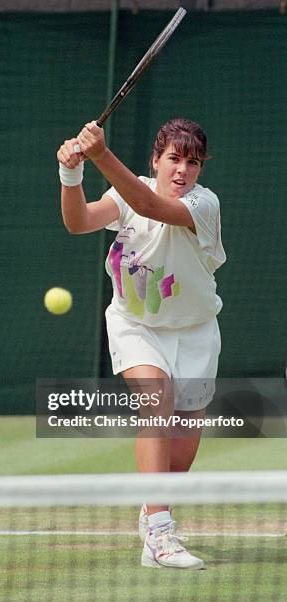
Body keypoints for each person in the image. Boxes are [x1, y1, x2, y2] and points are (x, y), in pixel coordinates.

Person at [57, 117, 226, 570]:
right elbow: (79, 222)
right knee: (157, 398)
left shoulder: (202, 205)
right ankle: (160, 534)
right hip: (137, 325)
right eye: (173, 159)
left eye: (193, 162)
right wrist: (71, 175)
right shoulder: (126, 192)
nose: (182, 171)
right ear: (155, 160)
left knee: (183, 447)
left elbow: (150, 206)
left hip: (194, 331)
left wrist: (99, 155)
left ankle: (154, 509)